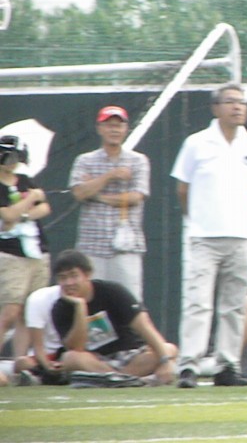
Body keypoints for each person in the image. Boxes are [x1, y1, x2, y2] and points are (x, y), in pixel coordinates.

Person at [171, 83, 247, 388]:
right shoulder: (196, 143)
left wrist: (235, 219)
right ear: (216, 108)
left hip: (241, 238)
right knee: (198, 303)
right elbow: (182, 189)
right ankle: (188, 367)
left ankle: (226, 366)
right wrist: (199, 220)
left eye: (241, 102)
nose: (237, 107)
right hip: (203, 238)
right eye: (230, 101)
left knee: (234, 305)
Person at [50, 249, 177, 385]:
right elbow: (77, 348)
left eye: (74, 276)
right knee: (70, 358)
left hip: (130, 355)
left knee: (168, 349)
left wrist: (165, 362)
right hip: (96, 361)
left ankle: (116, 379)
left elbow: (145, 327)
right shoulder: (60, 308)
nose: (69, 283)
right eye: (63, 278)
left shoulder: (112, 291)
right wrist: (80, 307)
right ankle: (127, 379)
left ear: (87, 275)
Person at [69, 105, 150, 300]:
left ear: (126, 129)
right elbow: (79, 193)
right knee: (91, 302)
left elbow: (136, 197)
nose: (114, 130)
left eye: (118, 125)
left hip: (126, 247)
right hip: (92, 246)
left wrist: (97, 195)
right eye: (109, 125)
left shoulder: (138, 161)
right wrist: (111, 175)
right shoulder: (84, 161)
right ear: (99, 128)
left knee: (129, 303)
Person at [0, 135, 51, 360]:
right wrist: (30, 200)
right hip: (11, 254)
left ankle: (19, 362)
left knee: (29, 312)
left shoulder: (25, 180)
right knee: (10, 311)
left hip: (37, 251)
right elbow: (7, 214)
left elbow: (44, 208)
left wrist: (23, 214)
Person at [13, 284, 66, 385]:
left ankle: (41, 379)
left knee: (72, 358)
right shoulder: (39, 299)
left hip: (69, 355)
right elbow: (38, 347)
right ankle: (44, 377)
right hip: (47, 357)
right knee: (22, 362)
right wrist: (48, 365)